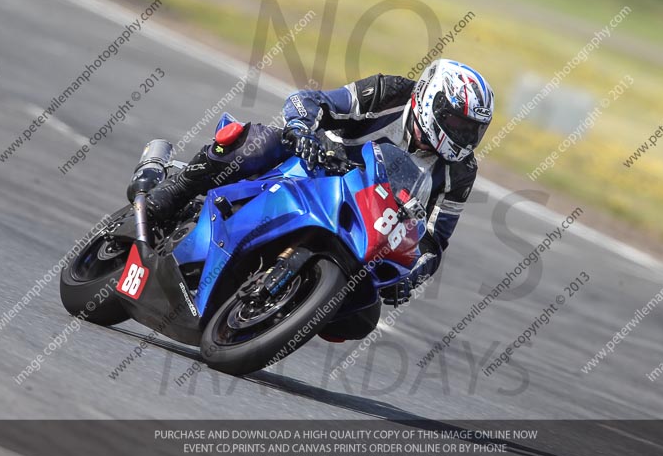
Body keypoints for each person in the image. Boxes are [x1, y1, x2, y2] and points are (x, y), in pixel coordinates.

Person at [147, 59, 494, 340]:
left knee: (362, 317)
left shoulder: (461, 171)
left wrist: (411, 276)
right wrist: (301, 130)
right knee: (257, 144)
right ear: (431, 100)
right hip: (317, 167)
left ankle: (282, 311)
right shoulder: (389, 93)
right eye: (457, 123)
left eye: (472, 130)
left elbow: (433, 241)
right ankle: (171, 194)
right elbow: (312, 101)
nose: (463, 136)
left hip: (367, 223)